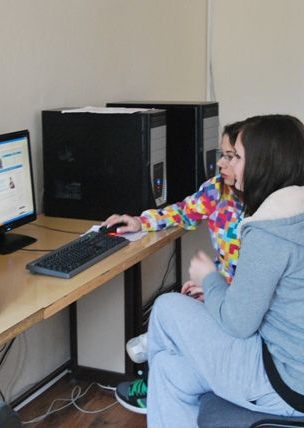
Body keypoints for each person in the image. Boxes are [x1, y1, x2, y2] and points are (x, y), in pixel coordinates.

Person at [146, 115, 304, 427]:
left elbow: (238, 323)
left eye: (237, 157)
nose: (229, 166)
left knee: (166, 306)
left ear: (263, 163)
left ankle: (147, 367)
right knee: (169, 370)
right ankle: (155, 371)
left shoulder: (269, 230)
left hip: (292, 382)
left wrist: (209, 277)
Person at [102, 121, 245, 414]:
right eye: (222, 154)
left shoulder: (267, 209)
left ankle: (155, 376)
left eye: (231, 156)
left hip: (239, 300)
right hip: (220, 285)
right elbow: (183, 211)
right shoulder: (218, 190)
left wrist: (215, 286)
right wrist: (140, 221)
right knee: (179, 299)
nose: (220, 163)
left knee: (173, 311)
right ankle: (158, 379)